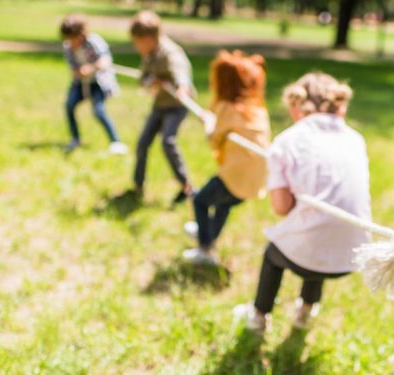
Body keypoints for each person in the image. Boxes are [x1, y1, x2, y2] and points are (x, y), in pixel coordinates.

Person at [240, 72, 372, 333]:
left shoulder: (286, 141)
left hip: (311, 254)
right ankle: (306, 310)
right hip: (353, 254)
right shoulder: (356, 138)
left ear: (295, 106)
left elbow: (281, 208)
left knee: (274, 253)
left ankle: (259, 316)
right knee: (320, 226)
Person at [182, 50, 270, 264]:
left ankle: (205, 250)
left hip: (236, 175)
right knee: (224, 204)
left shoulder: (227, 108)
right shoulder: (257, 109)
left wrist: (208, 123)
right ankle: (209, 234)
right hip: (257, 179)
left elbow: (214, 139)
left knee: (201, 200)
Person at [130, 10, 195, 204]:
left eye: (137, 42)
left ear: (149, 38)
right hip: (160, 105)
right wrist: (151, 81)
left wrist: (182, 87)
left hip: (176, 106)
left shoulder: (169, 52)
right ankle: (137, 185)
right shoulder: (149, 54)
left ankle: (187, 186)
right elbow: (143, 78)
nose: (136, 47)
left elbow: (180, 71)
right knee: (142, 144)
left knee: (168, 141)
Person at [60, 14, 127, 155]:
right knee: (69, 106)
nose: (70, 42)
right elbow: (73, 70)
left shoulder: (94, 42)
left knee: (99, 112)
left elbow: (105, 61)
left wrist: (91, 68)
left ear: (81, 34)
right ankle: (75, 139)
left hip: (98, 83)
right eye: (68, 39)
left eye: (72, 38)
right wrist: (79, 72)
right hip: (80, 83)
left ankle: (116, 142)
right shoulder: (68, 47)